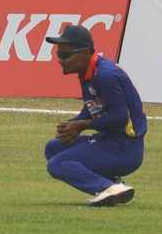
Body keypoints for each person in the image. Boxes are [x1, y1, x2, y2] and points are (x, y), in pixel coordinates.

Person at [43, 24, 144, 207]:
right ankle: (114, 185)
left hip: (125, 149)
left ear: (86, 53)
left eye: (66, 55)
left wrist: (81, 126)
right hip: (110, 141)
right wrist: (73, 124)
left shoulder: (105, 75)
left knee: (57, 164)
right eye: (59, 55)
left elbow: (119, 117)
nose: (61, 60)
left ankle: (107, 187)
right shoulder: (89, 72)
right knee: (53, 148)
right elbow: (93, 109)